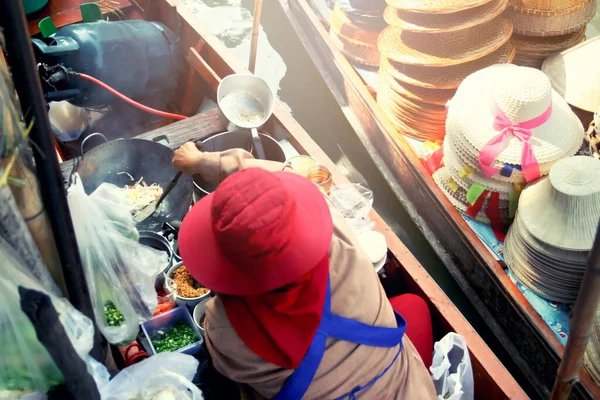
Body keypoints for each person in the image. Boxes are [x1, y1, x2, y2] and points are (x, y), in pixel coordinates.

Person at [173, 143, 436, 399]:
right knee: (413, 305)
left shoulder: (222, 328)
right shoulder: (337, 236)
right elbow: (287, 173)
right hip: (411, 390)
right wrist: (202, 161)